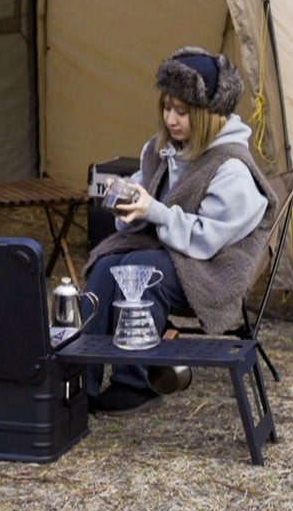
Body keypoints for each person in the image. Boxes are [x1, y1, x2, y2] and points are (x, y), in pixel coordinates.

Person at [83, 46, 278, 415]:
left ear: (207, 113)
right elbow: (146, 198)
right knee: (107, 265)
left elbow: (205, 238)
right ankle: (78, 378)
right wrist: (130, 205)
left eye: (182, 112)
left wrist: (154, 211)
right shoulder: (163, 149)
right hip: (170, 249)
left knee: (139, 270)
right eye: (166, 107)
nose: (171, 119)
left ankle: (136, 381)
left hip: (213, 264)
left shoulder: (231, 167)